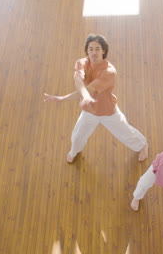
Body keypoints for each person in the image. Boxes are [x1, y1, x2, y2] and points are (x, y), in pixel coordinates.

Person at [44, 34, 148, 163]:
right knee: (77, 136)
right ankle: (74, 151)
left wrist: (63, 98)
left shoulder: (109, 71)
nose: (94, 52)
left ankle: (142, 145)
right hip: (89, 110)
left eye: (97, 49)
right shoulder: (81, 62)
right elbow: (78, 80)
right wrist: (84, 96)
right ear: (87, 50)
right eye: (91, 49)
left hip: (108, 111)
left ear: (104, 51)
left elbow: (88, 90)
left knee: (126, 133)